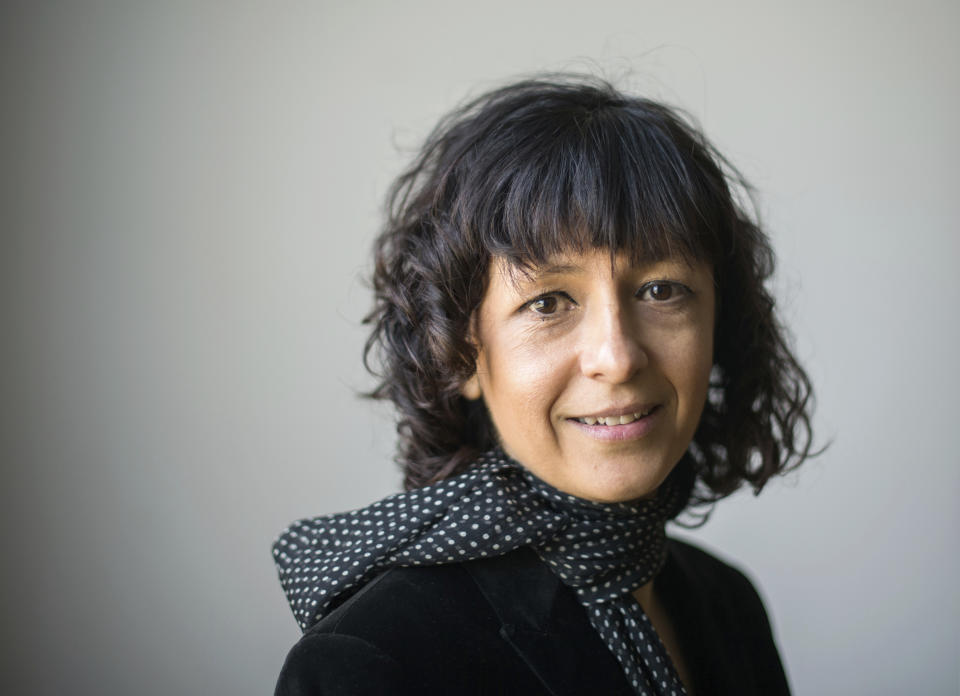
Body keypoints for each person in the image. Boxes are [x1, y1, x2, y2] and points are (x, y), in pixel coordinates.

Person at [271, 74, 815, 695]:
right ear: (461, 355)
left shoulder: (729, 604)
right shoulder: (371, 660)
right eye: (549, 302)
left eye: (662, 289)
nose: (617, 357)